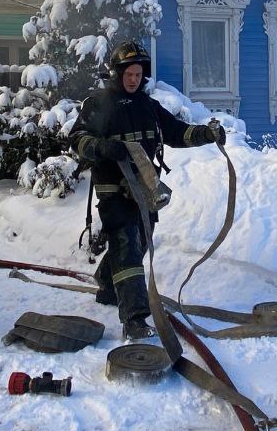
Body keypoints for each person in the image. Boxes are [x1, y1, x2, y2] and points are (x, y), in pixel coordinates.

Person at [69, 41, 223, 341]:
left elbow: (177, 132)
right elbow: (76, 138)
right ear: (116, 73)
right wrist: (102, 147)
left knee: (139, 241)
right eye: (128, 74)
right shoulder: (97, 105)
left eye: (138, 74)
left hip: (144, 189)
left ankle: (107, 282)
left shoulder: (148, 107)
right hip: (113, 189)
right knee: (126, 244)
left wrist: (207, 133)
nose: (133, 79)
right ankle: (135, 319)